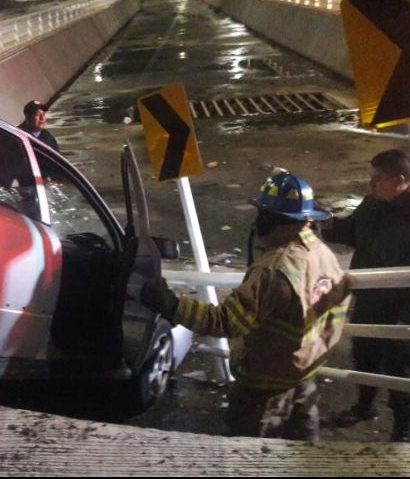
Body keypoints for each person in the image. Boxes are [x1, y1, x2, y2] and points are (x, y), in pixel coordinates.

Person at [143, 172, 351, 441]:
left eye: (262, 214)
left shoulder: (274, 269)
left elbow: (225, 321)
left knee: (252, 452)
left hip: (265, 386)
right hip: (303, 375)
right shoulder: (322, 253)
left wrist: (171, 305)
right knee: (304, 450)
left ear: (273, 220)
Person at [322, 148, 410, 442]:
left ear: (399, 180)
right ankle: (364, 406)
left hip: (402, 309)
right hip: (369, 298)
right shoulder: (372, 204)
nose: (370, 184)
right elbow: (350, 232)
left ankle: (403, 428)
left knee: (400, 368)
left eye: (377, 178)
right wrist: (325, 223)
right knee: (364, 355)